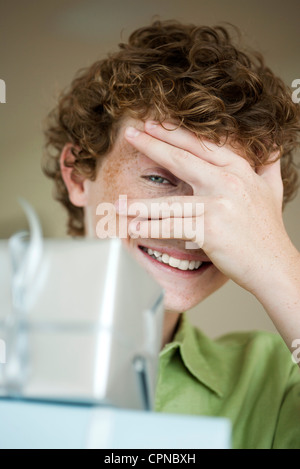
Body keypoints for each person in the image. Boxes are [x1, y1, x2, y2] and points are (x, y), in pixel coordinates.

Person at [43, 20, 300, 449]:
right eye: (160, 180)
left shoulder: (274, 378)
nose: (191, 229)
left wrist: (279, 265)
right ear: (78, 174)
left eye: (222, 200)